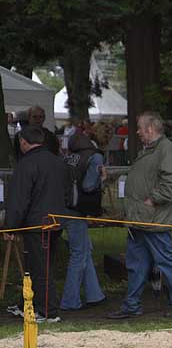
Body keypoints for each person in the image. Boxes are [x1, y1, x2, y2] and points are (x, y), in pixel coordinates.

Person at [106, 112, 172, 319]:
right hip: (141, 220)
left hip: (153, 219)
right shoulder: (150, 150)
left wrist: (153, 199)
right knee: (136, 265)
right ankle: (132, 305)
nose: (137, 132)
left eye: (139, 128)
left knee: (165, 261)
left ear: (150, 129)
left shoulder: (165, 149)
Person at [3, 125, 68, 321]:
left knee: (40, 269)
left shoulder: (26, 164)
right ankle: (27, 304)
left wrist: (10, 227)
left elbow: (18, 198)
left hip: (37, 225)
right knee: (34, 267)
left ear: (23, 142)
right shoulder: (58, 162)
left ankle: (48, 311)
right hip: (55, 222)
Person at [59, 132, 107, 312]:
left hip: (63, 207)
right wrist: (102, 179)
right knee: (78, 254)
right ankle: (69, 301)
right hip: (78, 210)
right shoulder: (95, 157)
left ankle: (95, 295)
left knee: (85, 250)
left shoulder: (68, 158)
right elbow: (88, 185)